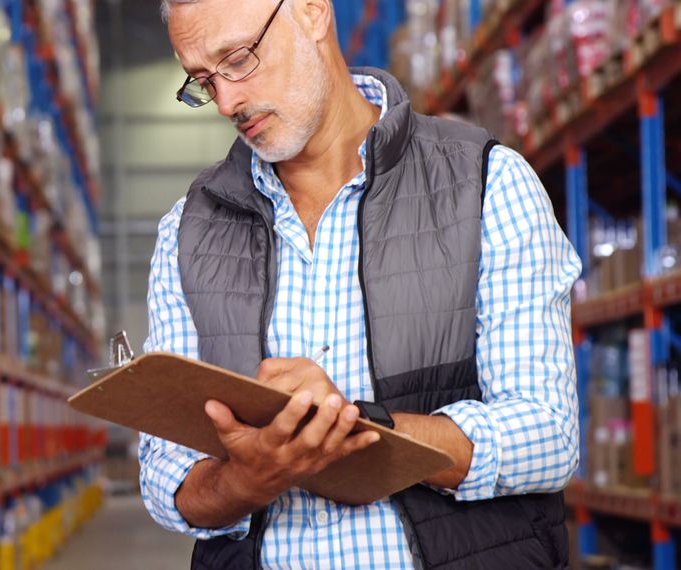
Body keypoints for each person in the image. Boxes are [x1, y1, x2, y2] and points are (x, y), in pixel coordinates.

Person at [140, 1, 581, 568]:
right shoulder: (188, 232)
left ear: (311, 12)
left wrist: (357, 431)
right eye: (202, 81)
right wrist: (245, 481)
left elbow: (548, 435)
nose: (226, 101)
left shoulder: (485, 183)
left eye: (240, 59)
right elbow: (164, 474)